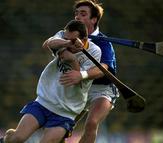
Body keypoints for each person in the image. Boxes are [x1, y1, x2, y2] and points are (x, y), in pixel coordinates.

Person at [2, 20, 101, 143]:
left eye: (73, 41)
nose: (69, 44)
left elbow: (77, 81)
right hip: (44, 102)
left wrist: (73, 60)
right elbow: (48, 44)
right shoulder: (63, 38)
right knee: (17, 139)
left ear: (84, 40)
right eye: (66, 38)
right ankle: (8, 137)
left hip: (65, 112)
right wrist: (67, 42)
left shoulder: (95, 51)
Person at [60, 0, 119, 143]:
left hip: (102, 90)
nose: (77, 17)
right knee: (60, 128)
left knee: (92, 123)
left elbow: (104, 69)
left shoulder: (104, 42)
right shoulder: (67, 37)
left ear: (94, 20)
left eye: (83, 14)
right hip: (78, 89)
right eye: (76, 14)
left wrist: (82, 75)